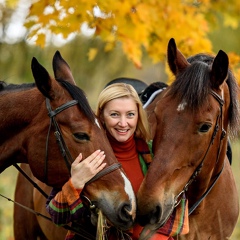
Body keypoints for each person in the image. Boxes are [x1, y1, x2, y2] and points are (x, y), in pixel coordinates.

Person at [46, 83, 189, 240]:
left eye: (130, 114)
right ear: (101, 117)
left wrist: (156, 238)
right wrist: (75, 183)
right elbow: (56, 215)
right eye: (114, 114)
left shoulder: (153, 154)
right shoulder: (87, 155)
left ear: (139, 116)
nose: (123, 123)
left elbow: (176, 203)